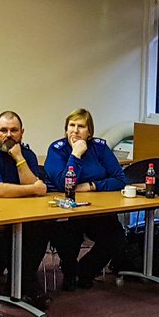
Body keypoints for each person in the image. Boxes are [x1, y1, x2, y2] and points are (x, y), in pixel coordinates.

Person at [0, 110, 52, 309]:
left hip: (21, 216)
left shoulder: (27, 154)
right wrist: (33, 189)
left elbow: (32, 186)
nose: (8, 135)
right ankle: (27, 283)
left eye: (14, 130)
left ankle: (22, 280)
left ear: (22, 133)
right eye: (3, 130)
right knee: (5, 235)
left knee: (44, 226)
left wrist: (19, 158)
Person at [44, 108, 126, 290]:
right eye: (71, 125)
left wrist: (92, 185)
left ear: (90, 132)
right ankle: (70, 271)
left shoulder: (100, 148)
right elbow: (63, 183)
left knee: (116, 235)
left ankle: (86, 270)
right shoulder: (57, 150)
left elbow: (120, 179)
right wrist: (76, 155)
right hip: (65, 212)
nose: (75, 130)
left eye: (81, 126)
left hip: (95, 209)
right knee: (68, 236)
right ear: (66, 129)